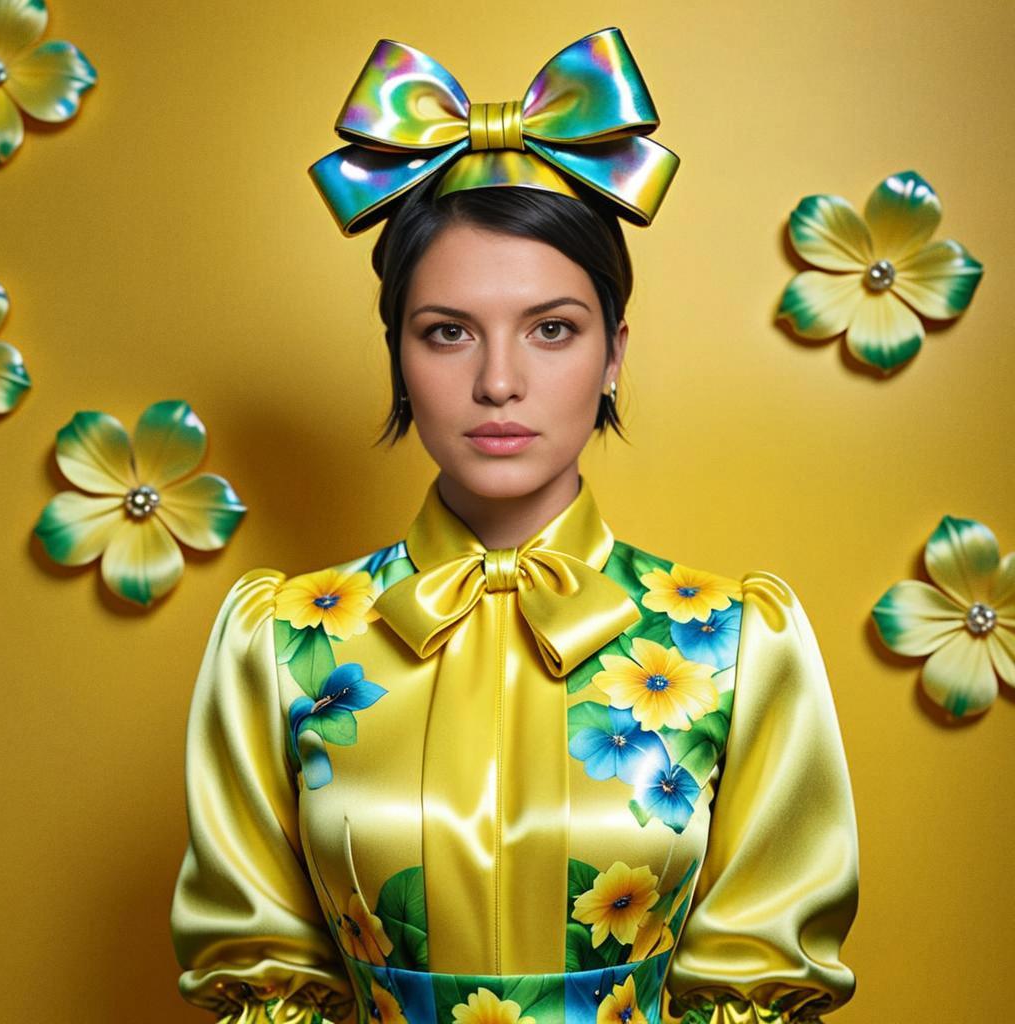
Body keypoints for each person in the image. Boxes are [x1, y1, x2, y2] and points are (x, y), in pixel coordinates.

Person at [169, 27, 858, 1024]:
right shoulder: (275, 642)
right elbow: (259, 969)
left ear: (613, 351)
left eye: (552, 328)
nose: (498, 381)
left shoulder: (740, 642)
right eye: (447, 331)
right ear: (399, 353)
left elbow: (762, 979)